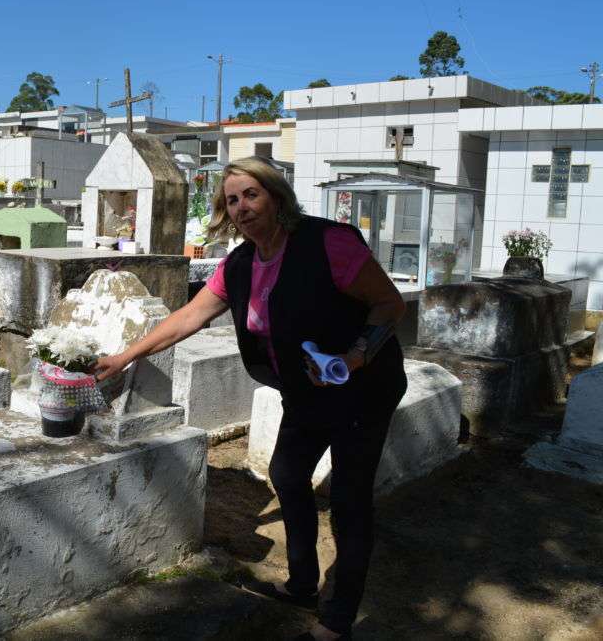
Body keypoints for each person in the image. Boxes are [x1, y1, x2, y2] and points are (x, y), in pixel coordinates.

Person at [94, 157, 407, 641]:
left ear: (277, 197)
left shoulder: (328, 244)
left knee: (348, 496)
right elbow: (188, 317)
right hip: (305, 391)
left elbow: (390, 302)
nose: (241, 207)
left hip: (362, 388)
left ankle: (338, 616)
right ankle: (303, 583)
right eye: (232, 200)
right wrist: (125, 356)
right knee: (286, 473)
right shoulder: (239, 264)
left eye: (251, 194)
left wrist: (353, 357)